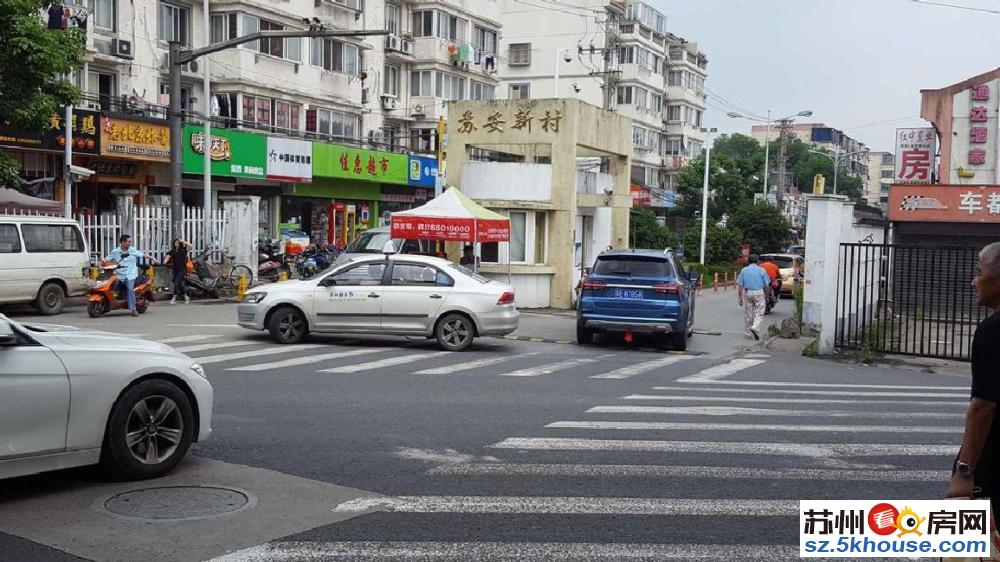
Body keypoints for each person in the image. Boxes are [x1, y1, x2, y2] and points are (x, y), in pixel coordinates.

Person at [947, 242, 1000, 515]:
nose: (973, 282)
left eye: (979, 272)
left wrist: (964, 472)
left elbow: (983, 407)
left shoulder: (992, 332)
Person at [107, 234, 156, 316]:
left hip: (130, 274)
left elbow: (142, 255)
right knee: (109, 285)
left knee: (130, 289)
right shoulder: (115, 252)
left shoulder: (132, 250)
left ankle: (133, 309)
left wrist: (153, 258)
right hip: (119, 274)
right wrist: (103, 263)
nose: (130, 243)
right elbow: (107, 259)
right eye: (129, 241)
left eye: (130, 241)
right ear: (123, 242)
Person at [736, 254, 770, 340]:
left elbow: (740, 285)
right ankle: (755, 327)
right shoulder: (762, 270)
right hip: (759, 292)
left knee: (749, 312)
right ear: (758, 261)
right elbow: (766, 285)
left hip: (748, 292)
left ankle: (748, 331)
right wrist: (767, 295)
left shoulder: (744, 270)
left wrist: (740, 298)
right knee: (760, 312)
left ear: (748, 261)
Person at [164, 238, 192, 305]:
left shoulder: (183, 250)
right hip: (175, 269)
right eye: (175, 243)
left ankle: (174, 298)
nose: (176, 244)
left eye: (178, 243)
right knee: (181, 284)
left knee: (177, 282)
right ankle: (186, 297)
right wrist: (165, 261)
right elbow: (167, 258)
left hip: (182, 269)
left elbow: (191, 246)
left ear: (180, 244)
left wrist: (183, 241)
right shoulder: (172, 251)